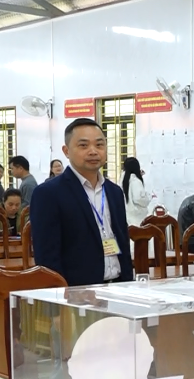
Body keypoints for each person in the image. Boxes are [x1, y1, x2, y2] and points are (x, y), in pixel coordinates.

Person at [31, 118, 133, 286]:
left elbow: (123, 243)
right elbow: (47, 256)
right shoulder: (48, 193)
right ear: (66, 151)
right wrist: (61, 294)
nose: (93, 151)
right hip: (77, 291)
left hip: (119, 286)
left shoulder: (114, 192)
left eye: (99, 145)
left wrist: (128, 285)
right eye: (83, 145)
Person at [120, 157, 151, 227]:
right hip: (138, 219)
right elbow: (139, 198)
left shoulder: (122, 180)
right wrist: (149, 197)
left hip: (127, 217)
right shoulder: (136, 181)